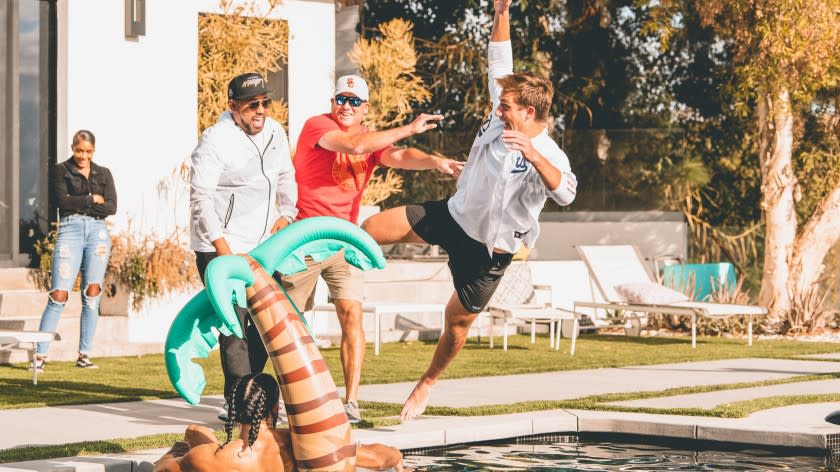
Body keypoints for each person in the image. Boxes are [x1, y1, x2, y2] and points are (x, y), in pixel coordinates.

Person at [361, 0, 578, 422]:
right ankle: (317, 269)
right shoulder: (502, 119)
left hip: (489, 252)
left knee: (456, 324)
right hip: (452, 216)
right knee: (371, 227)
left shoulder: (548, 153)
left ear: (528, 113)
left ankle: (427, 383)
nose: (498, 109)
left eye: (506, 106)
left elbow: (567, 194)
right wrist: (501, 13)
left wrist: (534, 156)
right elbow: (499, 59)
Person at [281, 73, 463, 424]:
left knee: (352, 315)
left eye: (353, 101)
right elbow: (354, 148)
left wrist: (435, 161)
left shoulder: (370, 136)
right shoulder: (317, 126)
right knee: (292, 321)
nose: (345, 106)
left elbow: (400, 156)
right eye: (340, 99)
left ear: (365, 108)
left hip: (344, 240)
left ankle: (350, 402)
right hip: (304, 236)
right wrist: (410, 127)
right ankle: (289, 400)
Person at [189, 72, 297, 420]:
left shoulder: (276, 132)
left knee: (268, 324)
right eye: (253, 104)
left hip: (264, 246)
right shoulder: (215, 140)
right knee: (233, 327)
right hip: (220, 247)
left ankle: (252, 393)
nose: (261, 110)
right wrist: (222, 249)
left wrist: (288, 213)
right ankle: (238, 401)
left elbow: (285, 175)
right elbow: (200, 198)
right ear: (233, 106)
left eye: (266, 102)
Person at [152, 373, 408, 472]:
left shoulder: (207, 458)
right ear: (275, 407)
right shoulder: (303, 444)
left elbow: (160, 470)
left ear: (233, 407)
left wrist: (175, 452)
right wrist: (396, 459)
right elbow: (381, 458)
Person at [32, 130, 117, 371]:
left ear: (94, 151)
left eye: (88, 151)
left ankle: (84, 354)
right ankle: (40, 356)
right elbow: (62, 202)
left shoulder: (104, 173)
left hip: (98, 233)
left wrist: (82, 202)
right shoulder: (61, 170)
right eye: (79, 150)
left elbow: (112, 206)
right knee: (59, 293)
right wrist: (92, 199)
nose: (83, 156)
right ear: (72, 148)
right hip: (70, 230)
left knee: (92, 293)